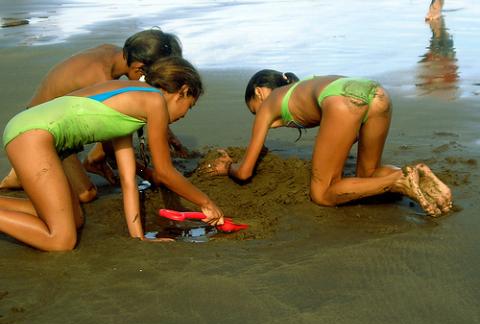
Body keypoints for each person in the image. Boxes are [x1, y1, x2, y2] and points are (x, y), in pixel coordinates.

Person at [0, 56, 224, 251]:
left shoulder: (130, 109)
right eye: (189, 105)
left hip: (34, 131)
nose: (185, 114)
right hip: (33, 134)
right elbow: (164, 171)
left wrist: (139, 237)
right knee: (61, 240)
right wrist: (206, 202)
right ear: (182, 91)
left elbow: (128, 182)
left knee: (75, 218)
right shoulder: (153, 100)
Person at [203, 70, 453, 217]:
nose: (258, 117)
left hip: (343, 100)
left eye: (253, 110)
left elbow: (245, 172)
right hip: (376, 92)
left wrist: (228, 167)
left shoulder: (268, 104)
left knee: (321, 194)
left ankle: (398, 181)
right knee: (367, 176)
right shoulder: (301, 87)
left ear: (259, 92)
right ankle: (411, 174)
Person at [0, 28, 191, 202]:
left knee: (125, 115)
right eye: (153, 80)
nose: (154, 86)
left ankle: (24, 174)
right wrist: (148, 173)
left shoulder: (113, 53)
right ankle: (26, 177)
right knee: (86, 194)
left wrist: (165, 132)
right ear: (139, 68)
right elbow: (113, 146)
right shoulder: (99, 78)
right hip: (40, 131)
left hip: (50, 121)